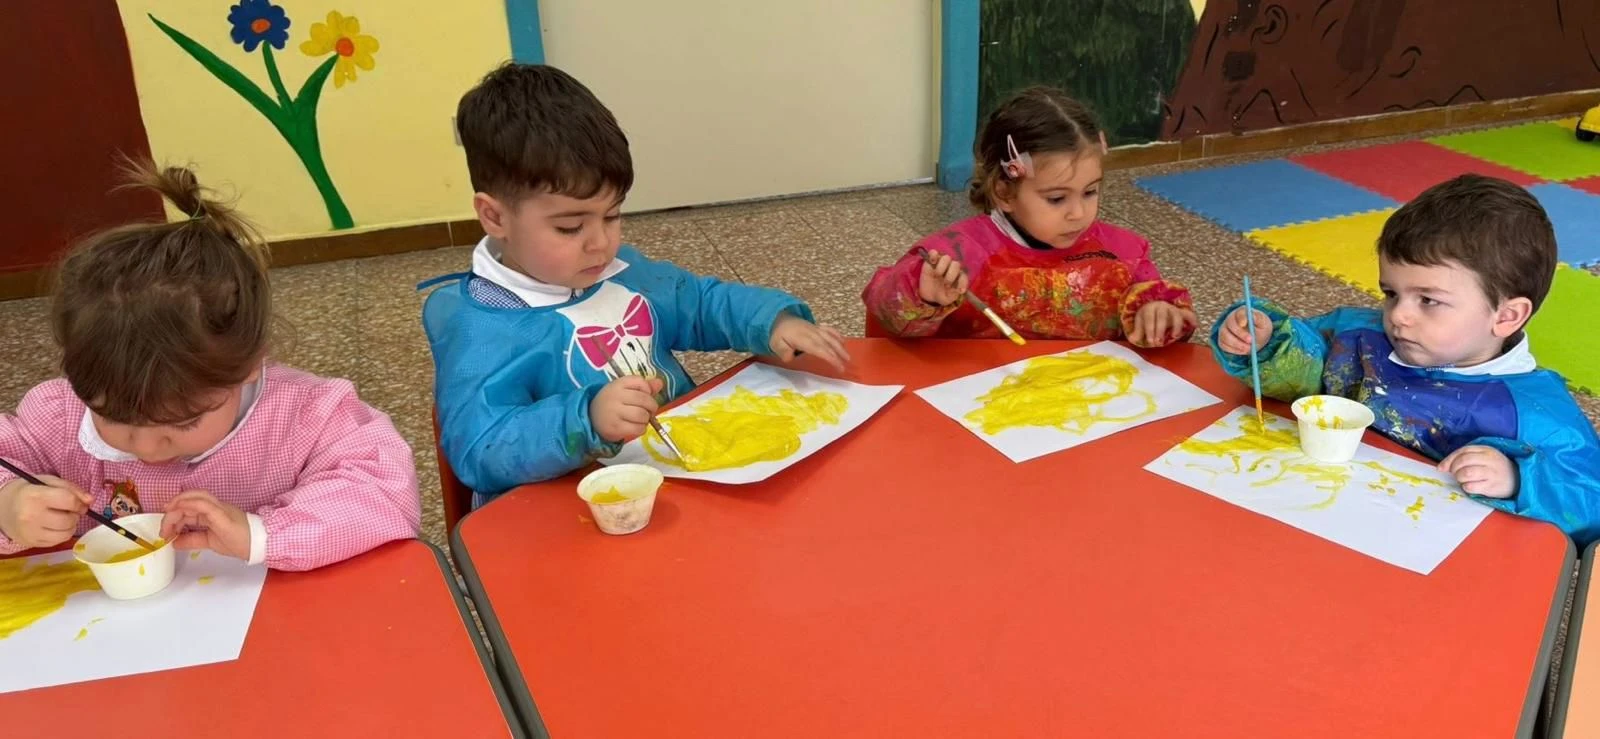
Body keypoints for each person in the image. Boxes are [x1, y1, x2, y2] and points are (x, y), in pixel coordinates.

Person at [422, 63, 850, 506]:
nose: (600, 243)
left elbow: (701, 304)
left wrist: (771, 321)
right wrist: (585, 419)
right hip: (563, 517)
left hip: (675, 483)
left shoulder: (622, 271)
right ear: (495, 217)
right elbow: (479, 449)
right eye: (570, 227)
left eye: (612, 216)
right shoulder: (480, 326)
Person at [0, 163, 421, 570]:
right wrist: (9, 504)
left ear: (249, 365)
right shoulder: (57, 419)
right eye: (113, 417)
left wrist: (262, 534)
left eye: (182, 423)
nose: (146, 450)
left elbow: (386, 492)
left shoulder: (308, 417)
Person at [1213, 174, 1600, 543]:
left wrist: (1519, 479)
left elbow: (1591, 502)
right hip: (1314, 509)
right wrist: (1268, 343)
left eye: (1428, 300)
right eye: (1391, 293)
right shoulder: (1361, 335)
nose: (1398, 315)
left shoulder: (1536, 414)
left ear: (1506, 316)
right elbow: (1310, 364)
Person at [863, 86, 1194, 346]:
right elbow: (886, 316)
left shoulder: (1124, 255)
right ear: (1005, 192)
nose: (1079, 213)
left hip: (1092, 405)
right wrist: (922, 296)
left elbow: (1166, 317)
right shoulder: (958, 256)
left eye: (1090, 191)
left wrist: (1159, 315)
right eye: (1056, 198)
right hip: (987, 408)